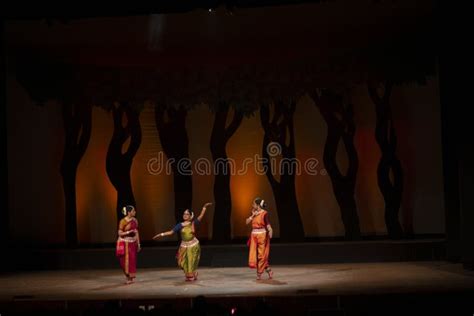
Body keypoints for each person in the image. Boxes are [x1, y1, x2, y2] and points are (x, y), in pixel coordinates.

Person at [153, 202, 212, 281]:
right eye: (184, 214)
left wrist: (204, 207)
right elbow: (171, 232)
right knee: (181, 262)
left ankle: (191, 274)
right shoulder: (180, 225)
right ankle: (192, 274)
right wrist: (160, 234)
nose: (185, 215)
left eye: (187, 214)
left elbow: (201, 216)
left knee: (191, 261)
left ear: (191, 216)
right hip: (184, 246)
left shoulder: (193, 223)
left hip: (193, 245)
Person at [246, 197, 273, 280]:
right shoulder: (253, 213)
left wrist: (270, 230)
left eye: (253, 204)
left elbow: (267, 223)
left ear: (258, 205)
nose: (252, 205)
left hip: (262, 235)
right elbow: (246, 222)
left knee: (261, 255)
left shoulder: (264, 213)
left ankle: (259, 272)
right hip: (254, 235)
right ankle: (268, 270)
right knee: (254, 254)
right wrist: (252, 216)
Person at [116, 205, 141, 284]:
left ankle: (130, 278)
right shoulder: (123, 221)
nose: (135, 212)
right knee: (123, 261)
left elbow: (137, 232)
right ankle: (127, 276)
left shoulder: (135, 220)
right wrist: (128, 232)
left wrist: (138, 243)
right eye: (133, 211)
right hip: (124, 243)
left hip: (132, 243)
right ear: (129, 212)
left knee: (132, 260)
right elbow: (119, 233)